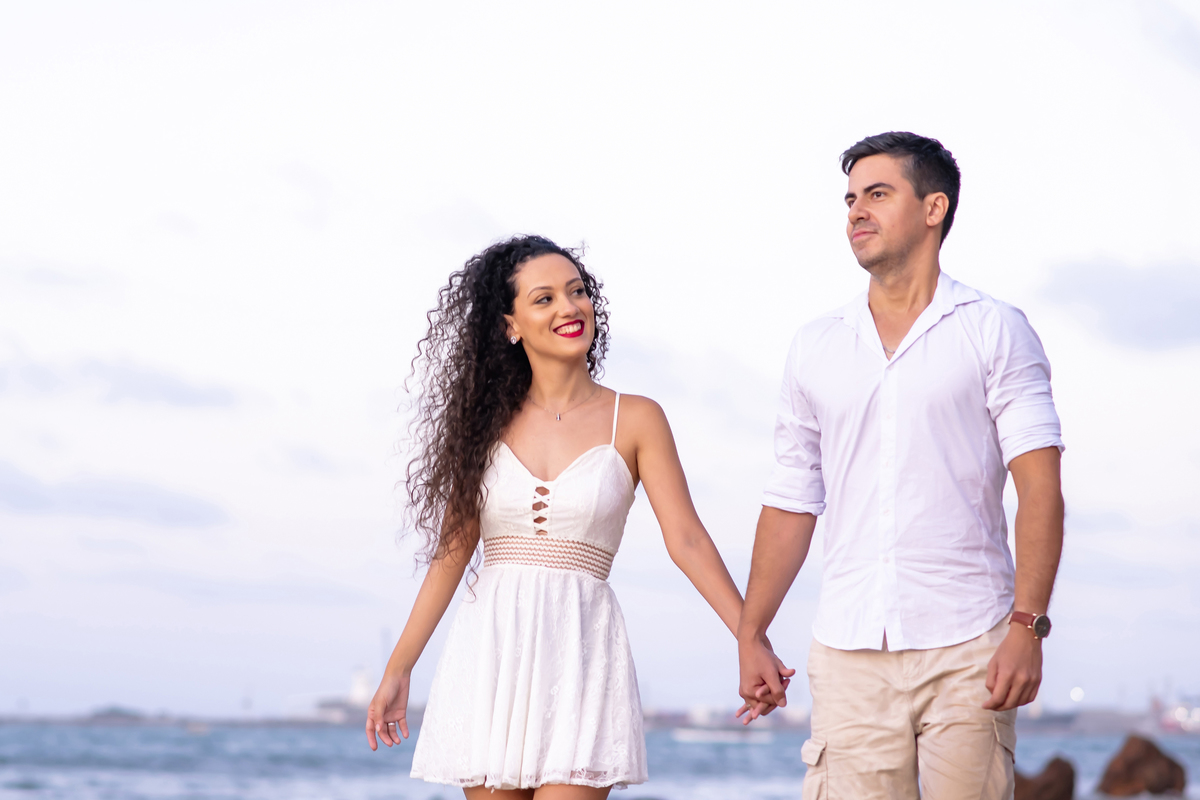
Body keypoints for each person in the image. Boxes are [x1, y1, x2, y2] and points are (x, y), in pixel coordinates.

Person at [736, 132, 1065, 799]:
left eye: (878, 194)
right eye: (851, 198)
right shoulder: (815, 346)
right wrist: (752, 632)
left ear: (934, 207)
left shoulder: (996, 328)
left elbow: (1040, 489)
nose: (857, 211)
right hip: (849, 648)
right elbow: (792, 498)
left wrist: (1028, 626)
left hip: (970, 641)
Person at [366, 235, 754, 799]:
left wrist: (749, 636)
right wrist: (399, 668)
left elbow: (687, 539)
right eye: (544, 298)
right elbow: (452, 553)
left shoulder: (638, 418)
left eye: (576, 292)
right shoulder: (482, 426)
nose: (569, 308)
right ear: (510, 325)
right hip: (492, 649)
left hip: (581, 648)